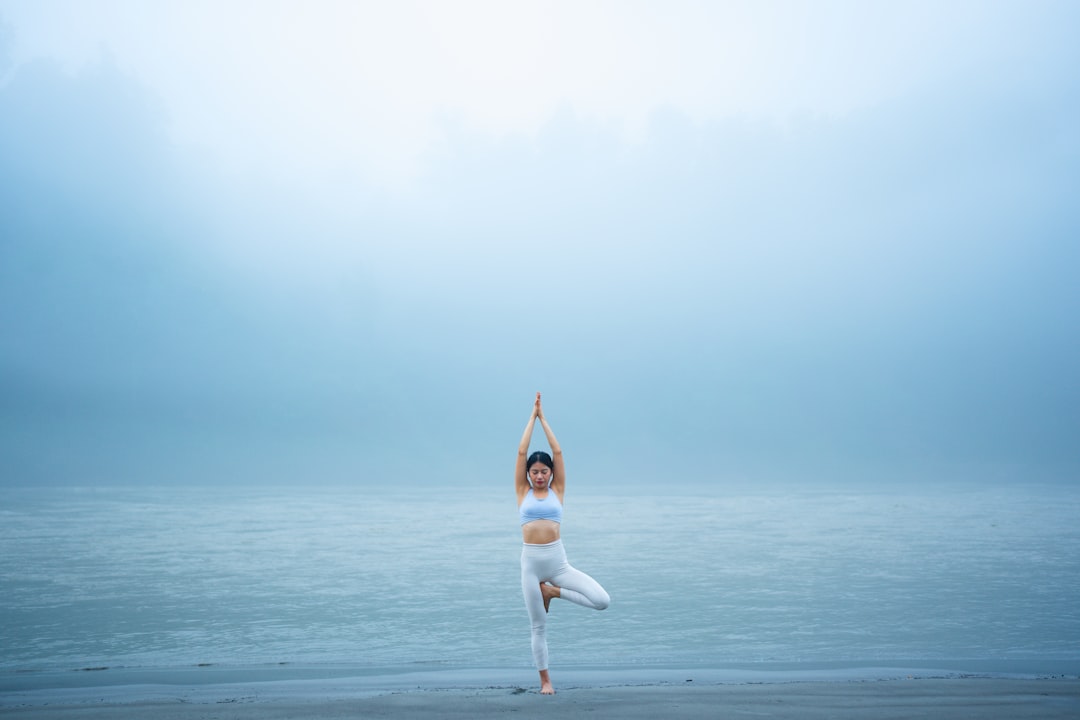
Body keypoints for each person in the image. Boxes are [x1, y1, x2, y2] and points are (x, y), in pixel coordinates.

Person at [516, 392, 610, 695]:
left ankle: (553, 592)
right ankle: (545, 681)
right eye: (534, 472)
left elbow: (557, 451)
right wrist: (531, 418)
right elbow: (521, 451)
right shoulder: (522, 492)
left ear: (551, 473)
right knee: (538, 626)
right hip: (531, 565)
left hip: (558, 563)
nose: (539, 476)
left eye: (544, 471)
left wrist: (544, 418)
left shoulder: (558, 490)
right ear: (528, 474)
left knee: (602, 601)